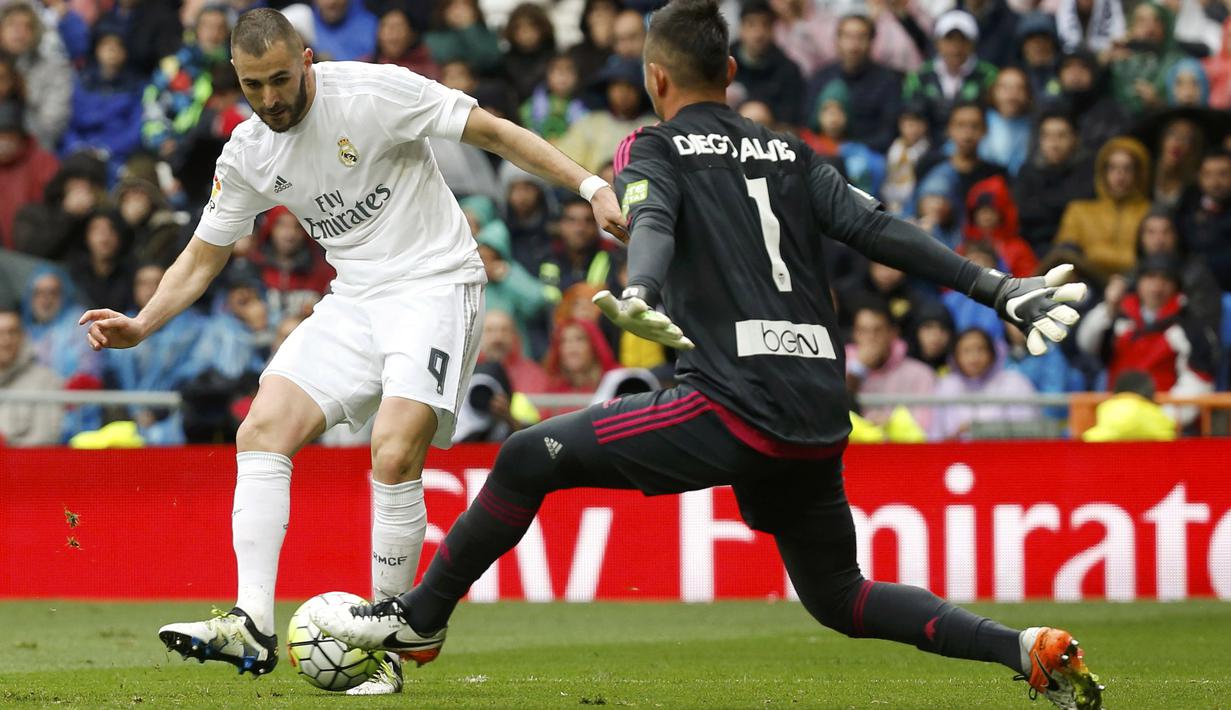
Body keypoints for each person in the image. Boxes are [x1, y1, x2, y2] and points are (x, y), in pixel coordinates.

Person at [316, 6, 1101, 710]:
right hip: (816, 410)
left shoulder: (650, 145)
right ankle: (1017, 647)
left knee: (527, 456)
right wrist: (993, 286)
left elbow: (649, 216)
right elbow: (878, 229)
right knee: (836, 595)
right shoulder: (790, 153)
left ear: (654, 77)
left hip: (733, 400)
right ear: (729, 72)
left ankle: (418, 622)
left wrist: (644, 287)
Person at [79, 7, 626, 696]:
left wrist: (591, 185)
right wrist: (144, 321)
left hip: (433, 285)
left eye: (281, 78)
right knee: (261, 429)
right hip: (355, 298)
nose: (272, 98)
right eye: (254, 86)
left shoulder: (374, 93)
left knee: (393, 449)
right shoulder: (248, 150)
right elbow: (203, 255)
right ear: (236, 81)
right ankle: (251, 620)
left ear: (307, 59)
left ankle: (390, 646)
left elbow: (495, 132)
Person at [1050, 136, 1152, 282]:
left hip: (1135, 286)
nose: (1120, 175)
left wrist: (1092, 254)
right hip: (1086, 287)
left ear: (1139, 173)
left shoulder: (1150, 213)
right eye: (1113, 168)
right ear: (1103, 172)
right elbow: (1064, 257)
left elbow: (1152, 260)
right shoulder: (1079, 211)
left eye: (1127, 168)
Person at [806, 13, 902, 153]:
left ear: (871, 41)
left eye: (861, 37)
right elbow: (807, 122)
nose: (854, 45)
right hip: (822, 152)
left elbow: (889, 132)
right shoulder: (821, 78)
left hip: (869, 155)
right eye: (848, 37)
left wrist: (851, 148)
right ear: (837, 40)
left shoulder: (888, 81)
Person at [902, 10, 998, 142]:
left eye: (963, 40)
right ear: (937, 43)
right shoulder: (920, 75)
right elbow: (911, 113)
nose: (956, 47)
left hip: (976, 145)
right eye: (949, 39)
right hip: (928, 146)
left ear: (973, 43)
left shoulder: (989, 75)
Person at [929, 327, 1040, 440]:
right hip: (957, 455)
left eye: (981, 349)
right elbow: (936, 434)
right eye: (966, 351)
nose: (974, 358)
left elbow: (1027, 429)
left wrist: (983, 430)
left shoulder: (1014, 382)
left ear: (992, 354)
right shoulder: (946, 385)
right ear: (955, 356)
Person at [1013, 110, 1094, 256]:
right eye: (1048, 136)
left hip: (1078, 248)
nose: (1054, 143)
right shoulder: (1027, 171)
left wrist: (1044, 202)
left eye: (1062, 136)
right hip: (1032, 246)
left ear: (1075, 138)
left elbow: (1084, 209)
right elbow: (1023, 212)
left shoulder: (1088, 170)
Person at [0, 308, 63, 447]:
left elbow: (45, 439)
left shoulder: (46, 381)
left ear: (23, 336)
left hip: (23, 465)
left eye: (12, 332)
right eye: (0, 333)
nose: (6, 340)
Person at [1175, 148, 1231, 291]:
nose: (1215, 182)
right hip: (1190, 289)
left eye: (1223, 174)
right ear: (1199, 176)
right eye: (1208, 175)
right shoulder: (1187, 206)